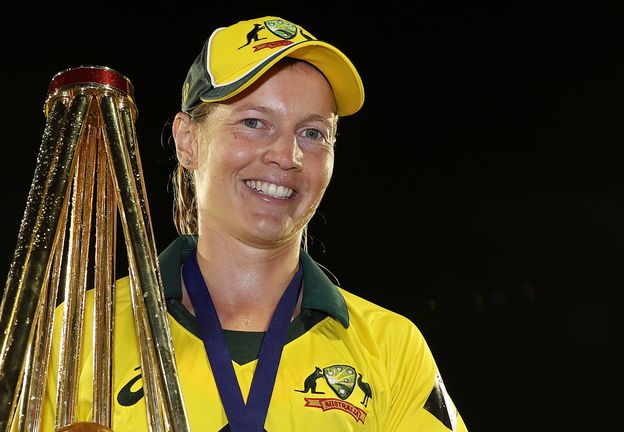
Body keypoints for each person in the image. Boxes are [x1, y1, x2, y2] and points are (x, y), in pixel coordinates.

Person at [35, 15, 468, 432]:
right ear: (187, 141)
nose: (287, 155)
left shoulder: (391, 346)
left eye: (313, 133)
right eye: (254, 122)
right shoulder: (80, 335)